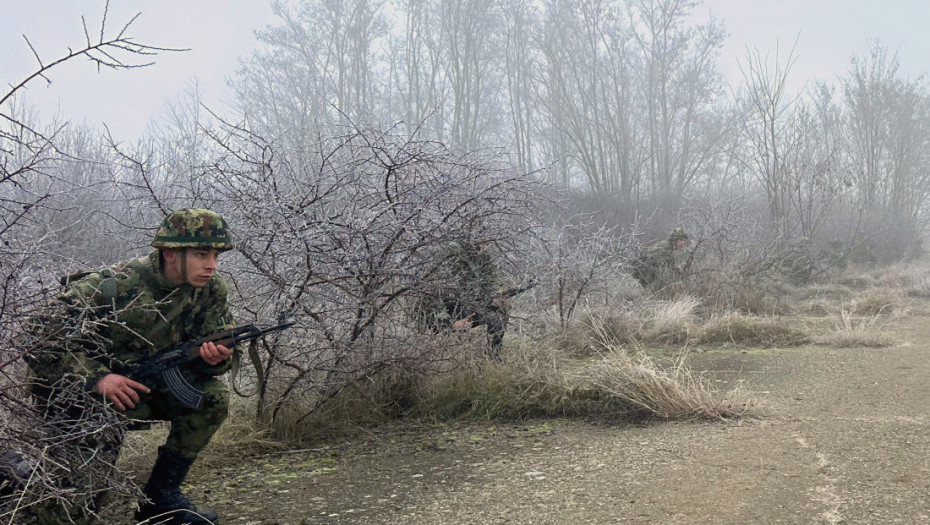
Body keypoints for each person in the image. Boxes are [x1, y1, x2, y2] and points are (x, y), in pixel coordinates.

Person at [23, 208, 236, 524]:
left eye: (216, 256)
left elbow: (217, 345)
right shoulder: (112, 286)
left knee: (212, 397)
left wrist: (217, 359)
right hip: (79, 399)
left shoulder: (209, 290)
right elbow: (35, 335)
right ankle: (18, 472)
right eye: (202, 254)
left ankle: (160, 500)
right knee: (69, 513)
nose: (212, 265)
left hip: (139, 389)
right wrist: (98, 379)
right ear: (170, 253)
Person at [415, 241, 511, 359]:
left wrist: (496, 297)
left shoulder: (482, 255)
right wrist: (451, 324)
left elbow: (491, 280)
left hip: (464, 307)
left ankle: (493, 356)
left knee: (500, 312)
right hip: (437, 315)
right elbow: (428, 296)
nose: (486, 243)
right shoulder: (449, 253)